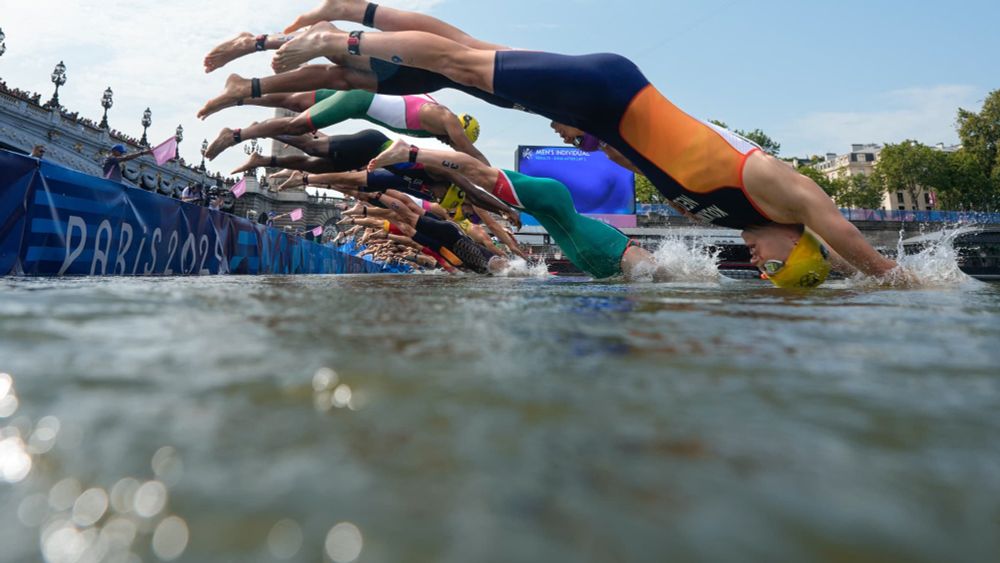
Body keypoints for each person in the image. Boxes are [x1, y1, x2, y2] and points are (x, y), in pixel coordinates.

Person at [272, 1, 906, 287]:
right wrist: (898, 282)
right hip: (610, 90)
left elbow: (650, 159)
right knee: (463, 63)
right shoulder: (773, 189)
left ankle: (359, 10)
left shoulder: (730, 214)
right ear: (793, 245)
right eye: (773, 267)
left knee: (470, 55)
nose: (757, 264)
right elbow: (843, 234)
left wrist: (596, 143)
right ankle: (339, 40)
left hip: (602, 116)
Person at [368, 139, 668, 280]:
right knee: (482, 172)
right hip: (554, 202)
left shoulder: (616, 261)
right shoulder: (631, 257)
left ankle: (412, 153)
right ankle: (410, 151)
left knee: (482, 173)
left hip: (558, 215)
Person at [201, 87, 484, 164]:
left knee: (294, 100)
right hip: (357, 102)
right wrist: (498, 180)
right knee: (299, 125)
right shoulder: (446, 118)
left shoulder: (434, 114)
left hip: (359, 94)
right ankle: (237, 134)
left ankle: (238, 96)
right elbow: (469, 153)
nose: (449, 142)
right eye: (453, 138)